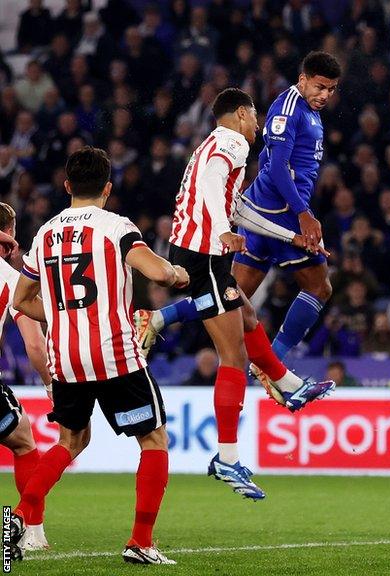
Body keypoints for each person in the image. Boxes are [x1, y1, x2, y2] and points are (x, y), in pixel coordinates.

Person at [137, 88, 333, 501]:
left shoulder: (213, 143)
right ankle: (227, 456)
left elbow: (239, 209)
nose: (258, 124)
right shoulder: (233, 142)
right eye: (255, 116)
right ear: (241, 114)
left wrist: (293, 237)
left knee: (247, 318)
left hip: (205, 253)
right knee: (234, 356)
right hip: (204, 255)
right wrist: (222, 231)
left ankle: (289, 384)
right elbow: (211, 184)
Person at [8, 147, 189, 564]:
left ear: (67, 186)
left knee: (71, 441)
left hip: (66, 358)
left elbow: (23, 300)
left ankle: (19, 515)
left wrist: (59, 312)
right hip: (114, 354)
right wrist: (179, 274)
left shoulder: (45, 233)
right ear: (108, 187)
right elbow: (158, 272)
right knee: (153, 440)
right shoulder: (116, 227)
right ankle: (141, 542)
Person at [144, 53, 343, 363]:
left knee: (231, 297)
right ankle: (274, 363)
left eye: (330, 89)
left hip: (262, 211)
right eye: (319, 87)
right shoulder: (289, 108)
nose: (324, 95)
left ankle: (161, 317)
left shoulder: (306, 109)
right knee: (320, 288)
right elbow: (277, 167)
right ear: (302, 79)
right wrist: (303, 212)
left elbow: (272, 161)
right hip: (283, 212)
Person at [0, 203, 52, 551]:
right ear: (11, 230)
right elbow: (35, 344)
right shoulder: (11, 278)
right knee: (23, 442)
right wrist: (51, 385)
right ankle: (31, 531)